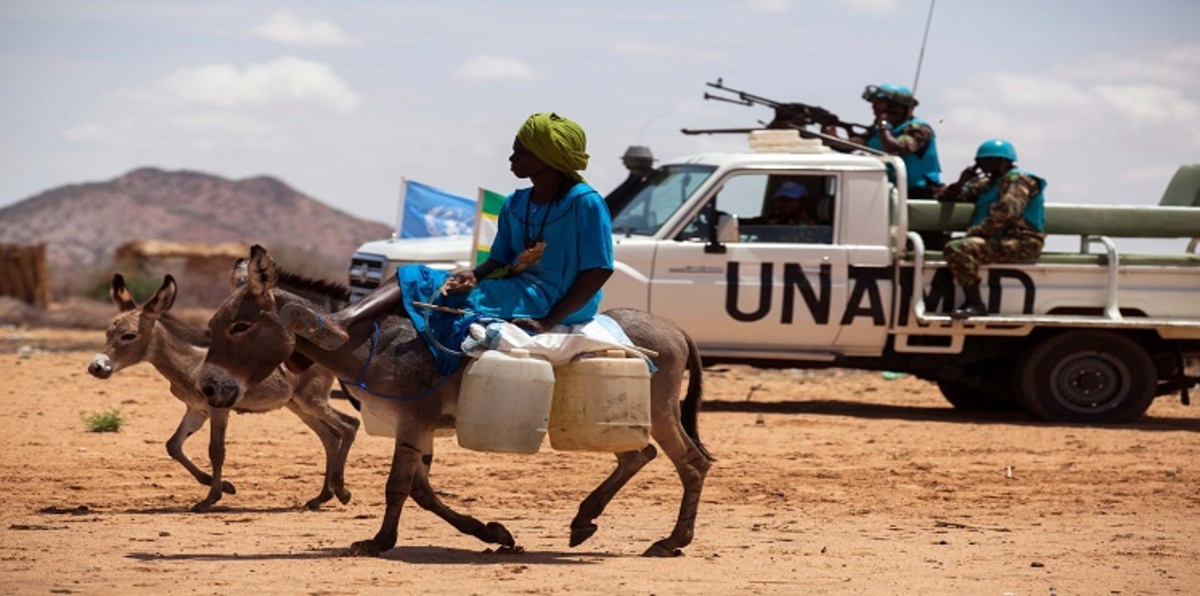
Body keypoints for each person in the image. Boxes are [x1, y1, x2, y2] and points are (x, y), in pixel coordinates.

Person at [281, 112, 614, 351]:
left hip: (557, 300)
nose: (511, 157)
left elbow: (597, 270)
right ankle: (334, 334)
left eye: (521, 151)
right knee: (428, 287)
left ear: (548, 157)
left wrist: (550, 320)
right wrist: (474, 274)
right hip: (517, 288)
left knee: (417, 282)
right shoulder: (517, 203)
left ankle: (339, 324)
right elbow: (499, 258)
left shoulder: (585, 203)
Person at [937, 139, 1047, 319]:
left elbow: (1006, 213)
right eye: (980, 161)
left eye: (989, 160)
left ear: (1004, 161)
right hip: (996, 238)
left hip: (1022, 241)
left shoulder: (1018, 180)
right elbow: (948, 198)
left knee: (957, 248)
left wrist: (975, 233)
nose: (983, 165)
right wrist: (962, 181)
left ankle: (974, 303)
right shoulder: (989, 183)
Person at [822, 83, 943, 199]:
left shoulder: (919, 129)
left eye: (879, 104)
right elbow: (852, 145)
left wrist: (884, 124)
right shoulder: (878, 131)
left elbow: (894, 149)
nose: (873, 107)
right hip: (891, 192)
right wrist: (832, 139)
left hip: (921, 194)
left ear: (896, 107)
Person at [741, 181, 816, 225]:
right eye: (783, 199)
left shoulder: (809, 225)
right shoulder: (770, 218)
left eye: (792, 200)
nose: (787, 204)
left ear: (802, 201)